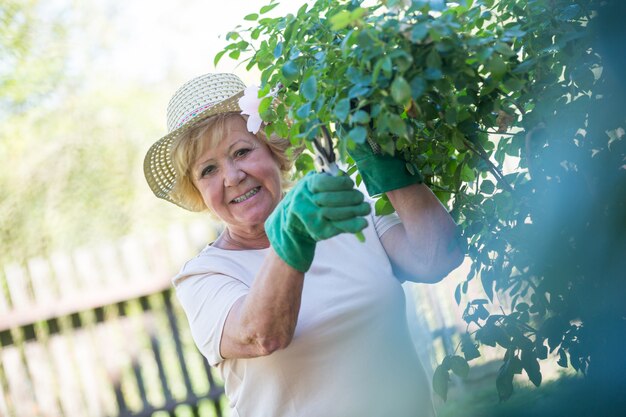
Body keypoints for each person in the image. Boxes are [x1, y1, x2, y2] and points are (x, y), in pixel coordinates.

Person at [144, 72, 464, 417]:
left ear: (273, 151)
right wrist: (292, 234)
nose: (232, 176)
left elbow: (436, 258)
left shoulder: (346, 208)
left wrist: (383, 159)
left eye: (241, 151)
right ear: (198, 193)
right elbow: (262, 335)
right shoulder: (204, 276)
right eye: (208, 170)